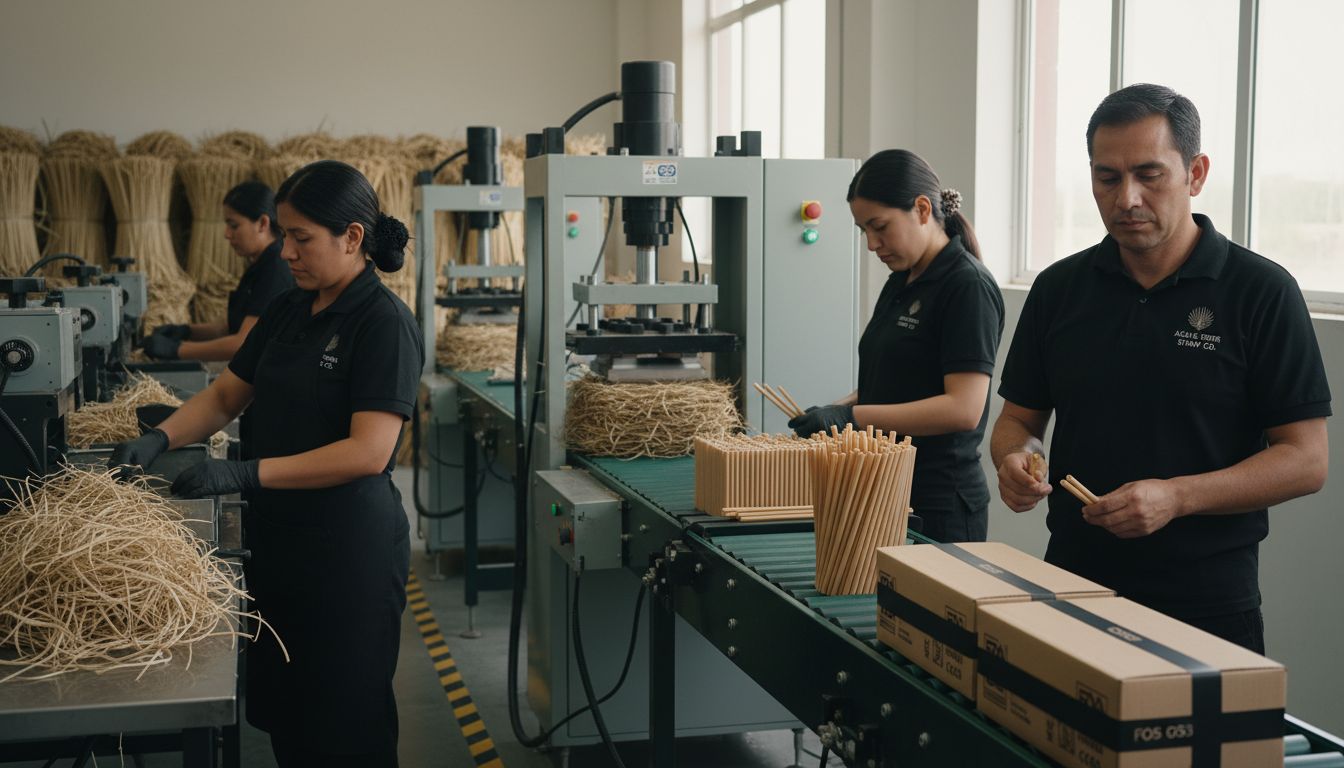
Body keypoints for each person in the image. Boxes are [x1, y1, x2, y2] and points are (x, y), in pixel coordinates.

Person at [991, 83, 1330, 653]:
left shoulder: (1260, 291)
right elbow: (1016, 421)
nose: (1126, 198)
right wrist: (1014, 459)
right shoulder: (1058, 290)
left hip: (1206, 602)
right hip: (1071, 585)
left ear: (1195, 174)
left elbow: (1306, 461)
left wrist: (1178, 497)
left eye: (1150, 175)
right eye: (1107, 177)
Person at [108, 161, 423, 766]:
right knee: (289, 714)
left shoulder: (383, 324)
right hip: (279, 544)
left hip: (346, 553)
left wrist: (246, 473)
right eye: (283, 235)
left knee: (344, 721)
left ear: (352, 237)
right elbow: (229, 394)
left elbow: (369, 451)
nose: (286, 252)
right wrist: (162, 439)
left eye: (301, 238)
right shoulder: (286, 310)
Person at [789, 149, 1005, 543]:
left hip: (939, 502)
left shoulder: (966, 285)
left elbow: (963, 409)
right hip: (886, 487)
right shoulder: (901, 280)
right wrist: (838, 409)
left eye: (880, 226)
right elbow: (892, 380)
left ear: (922, 209)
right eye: (863, 231)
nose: (872, 244)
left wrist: (854, 419)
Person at [143, 181, 295, 361]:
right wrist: (186, 331)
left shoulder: (275, 269)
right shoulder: (260, 265)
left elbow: (243, 343)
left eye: (234, 225)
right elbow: (231, 327)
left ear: (262, 223)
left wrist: (178, 350)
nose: (227, 234)